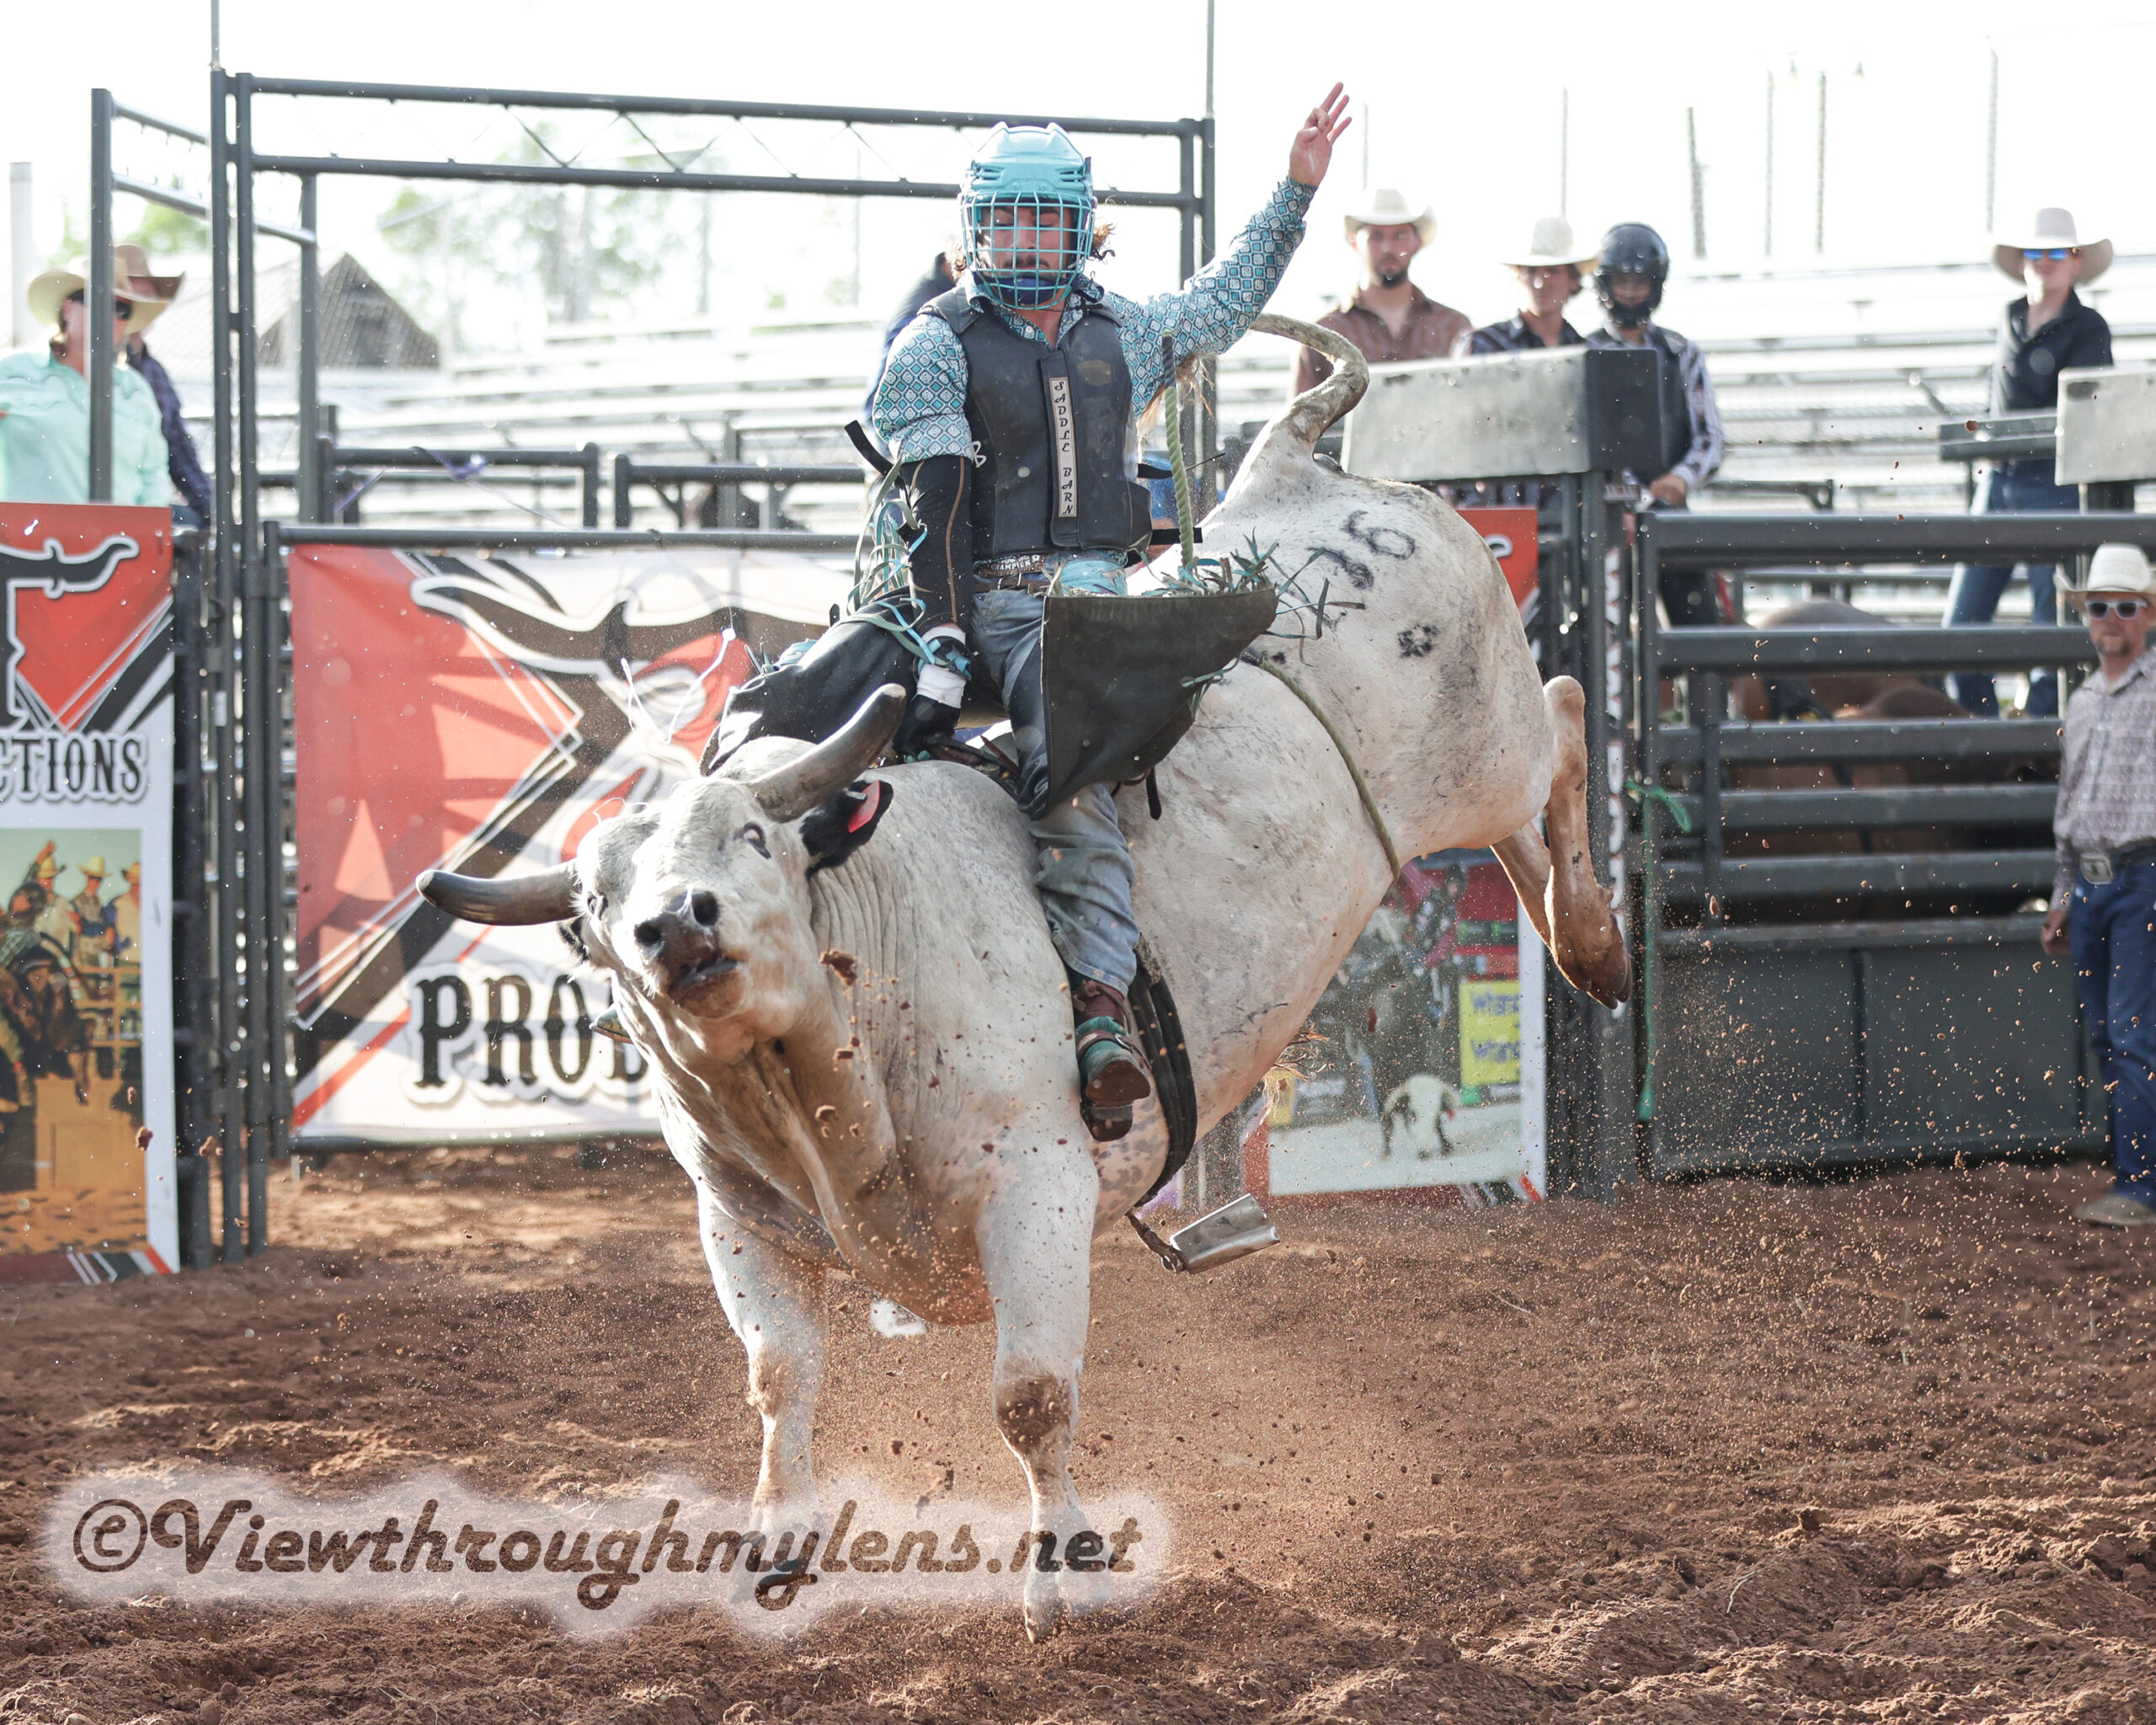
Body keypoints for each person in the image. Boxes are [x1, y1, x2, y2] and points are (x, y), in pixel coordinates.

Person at [872, 88, 1352, 1140]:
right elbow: (935, 510)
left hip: (1105, 585)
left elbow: (1221, 302)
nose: (1027, 236)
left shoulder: (1122, 333)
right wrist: (946, 639)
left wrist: (1294, 193)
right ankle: (1099, 1008)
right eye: (1009, 217)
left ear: (1081, 226)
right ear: (977, 227)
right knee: (1071, 737)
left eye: (1045, 217)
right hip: (997, 595)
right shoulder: (933, 344)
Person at [1945, 208, 2115, 719]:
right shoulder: (2009, 316)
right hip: (1999, 479)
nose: (2045, 262)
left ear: (2076, 261)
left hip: (2052, 481)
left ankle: (2036, 741)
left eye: (2056, 252)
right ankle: (1983, 733)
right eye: (2037, 253)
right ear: (2023, 261)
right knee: (1961, 624)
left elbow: (2086, 412)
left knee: (2051, 621)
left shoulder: (2088, 328)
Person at [2041, 544, 2156, 1226]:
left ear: (2146, 614)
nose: (2111, 617)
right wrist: (2061, 895)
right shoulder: (2082, 701)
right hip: (2091, 882)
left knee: (2132, 1033)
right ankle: (2133, 1174)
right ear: (2086, 616)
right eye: (2100, 606)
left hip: (2143, 874)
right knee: (2111, 1035)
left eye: (2126, 606)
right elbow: (2071, 804)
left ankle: (2140, 1187)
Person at [1586, 222, 1727, 627]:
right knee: (1606, 635)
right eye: (1621, 281)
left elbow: (1711, 437)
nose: (1630, 291)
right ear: (1604, 285)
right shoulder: (1585, 353)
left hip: (1673, 518)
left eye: (1640, 281)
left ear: (1656, 284)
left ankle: (1707, 691)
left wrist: (1680, 478)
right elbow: (1587, 440)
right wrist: (1626, 490)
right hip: (1612, 522)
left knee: (1700, 629)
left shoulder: (1682, 353)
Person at [0, 251, 178, 506]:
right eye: (97, 301)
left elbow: (154, 474)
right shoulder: (11, 371)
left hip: (121, 543)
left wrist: (147, 534)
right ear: (67, 308)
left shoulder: (136, 388)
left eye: (122, 309)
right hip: (29, 542)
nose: (111, 317)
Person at [1290, 187, 1467, 397]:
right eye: (1376, 236)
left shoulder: (1454, 327)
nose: (1387, 248)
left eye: (1399, 236)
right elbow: (1298, 421)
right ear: (1356, 243)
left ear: (1416, 242)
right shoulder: (1323, 331)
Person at [115, 245, 211, 526]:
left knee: (196, 525)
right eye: (126, 299)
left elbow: (178, 449)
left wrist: (213, 514)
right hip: (122, 506)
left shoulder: (153, 371)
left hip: (141, 503)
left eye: (144, 296)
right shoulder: (103, 369)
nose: (136, 306)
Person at [1468, 216, 1597, 355]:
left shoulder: (1587, 352)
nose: (1540, 284)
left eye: (1552, 271)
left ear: (1573, 280)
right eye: (1531, 272)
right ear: (1517, 278)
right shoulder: (1486, 344)